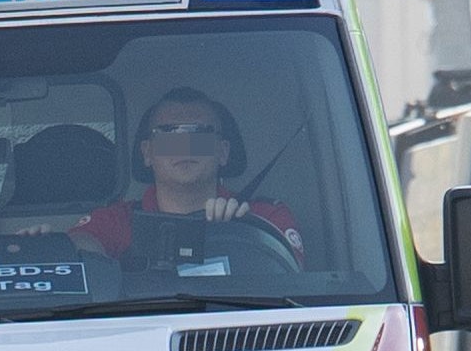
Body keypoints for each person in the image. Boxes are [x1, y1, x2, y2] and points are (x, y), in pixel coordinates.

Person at [66, 87, 304, 265]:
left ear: (223, 152)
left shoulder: (264, 216)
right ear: (147, 153)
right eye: (169, 134)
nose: (185, 146)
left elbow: (286, 278)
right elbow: (78, 249)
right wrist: (55, 248)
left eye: (199, 134)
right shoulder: (118, 220)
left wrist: (238, 232)